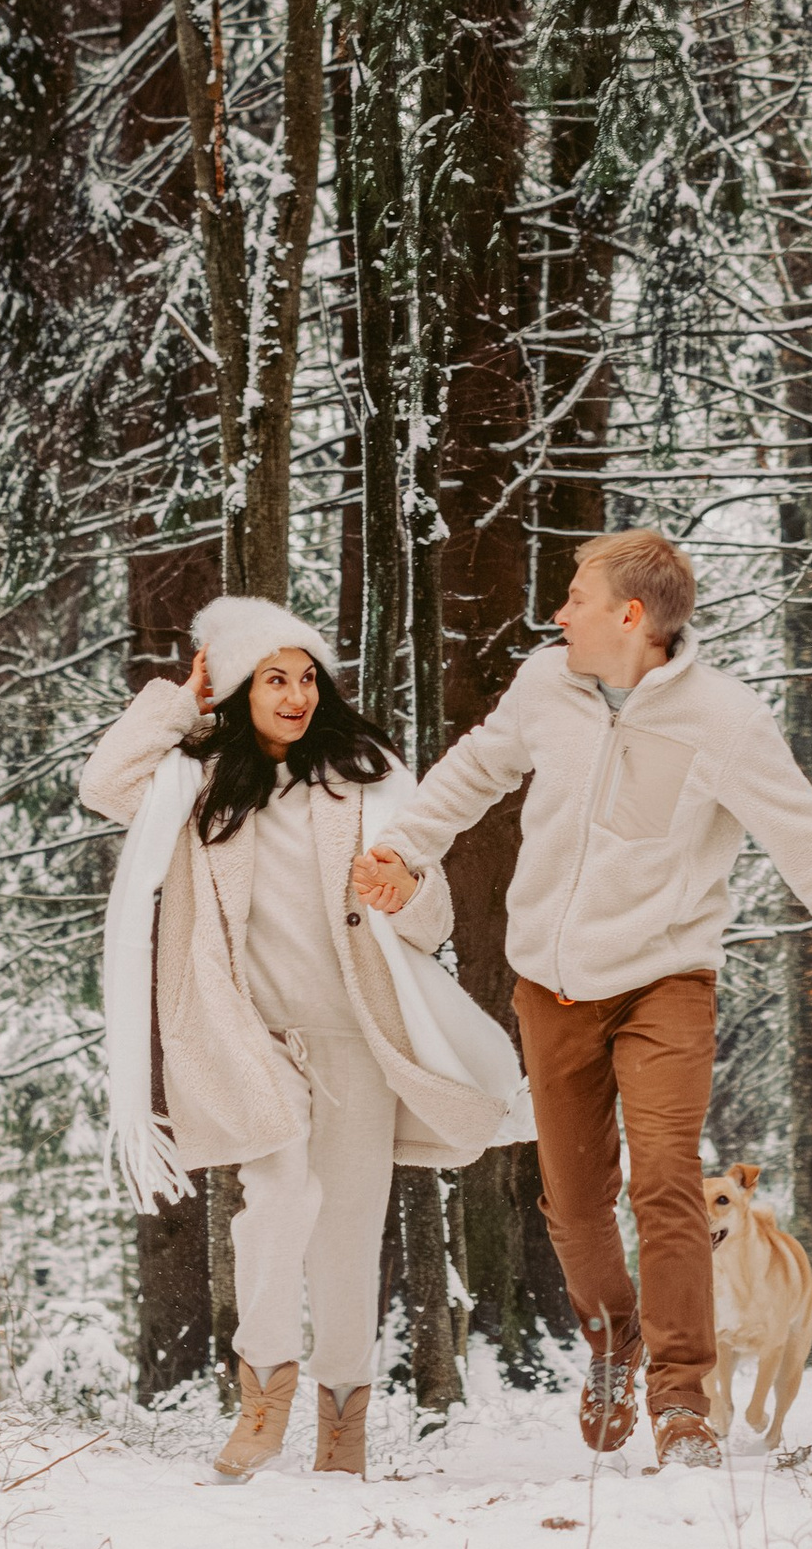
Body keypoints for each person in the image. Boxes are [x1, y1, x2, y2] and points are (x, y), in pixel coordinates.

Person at [352, 530, 812, 1470]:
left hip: (667, 979)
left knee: (667, 1181)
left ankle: (683, 1400)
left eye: (575, 598)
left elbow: (809, 840)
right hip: (551, 983)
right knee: (575, 1202)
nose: (558, 614)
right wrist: (406, 847)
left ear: (630, 616)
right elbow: (474, 767)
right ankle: (616, 1340)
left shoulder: (724, 721)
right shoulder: (546, 685)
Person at [79, 598, 510, 1482]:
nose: (297, 694)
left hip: (353, 1032)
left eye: (307, 677)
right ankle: (264, 1392)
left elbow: (428, 913)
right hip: (245, 1033)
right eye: (275, 678)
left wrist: (404, 895)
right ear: (240, 691)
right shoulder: (194, 785)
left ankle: (343, 1425)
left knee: (348, 1230)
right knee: (274, 1205)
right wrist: (178, 701)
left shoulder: (367, 776)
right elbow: (103, 782)